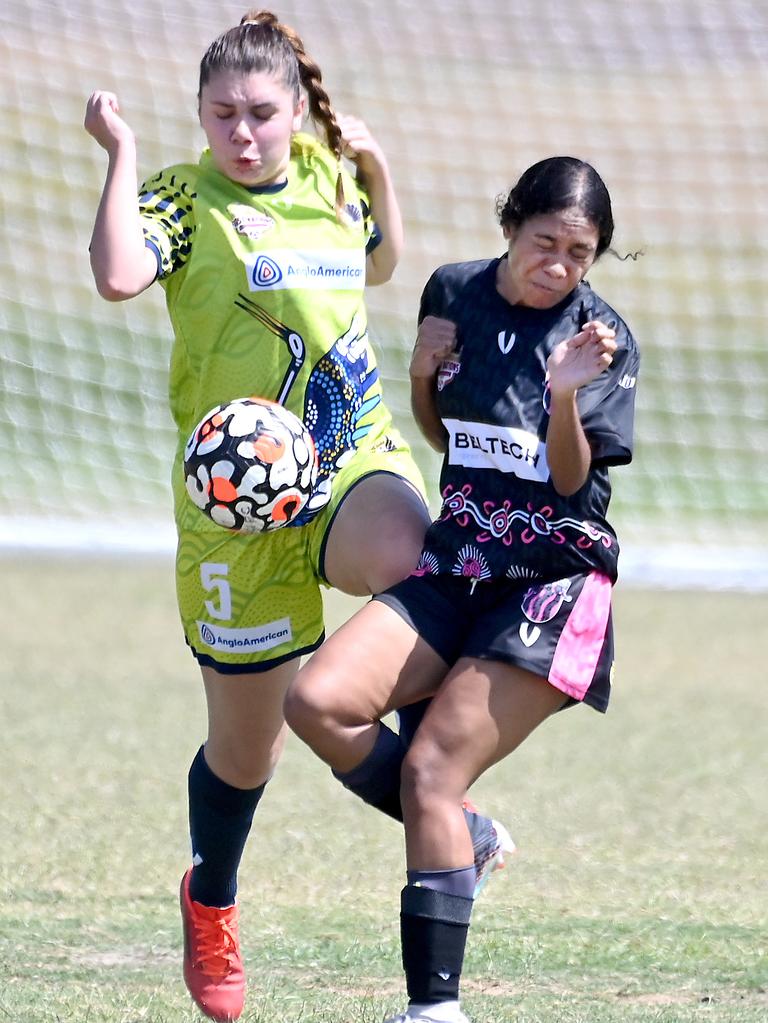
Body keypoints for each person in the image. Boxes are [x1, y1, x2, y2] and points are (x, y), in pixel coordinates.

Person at [84, 10, 508, 1022]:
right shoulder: (183, 200)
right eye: (223, 113)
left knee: (423, 570)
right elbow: (116, 275)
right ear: (200, 114)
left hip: (349, 455)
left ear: (293, 113)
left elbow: (378, 263)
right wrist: (124, 156)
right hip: (238, 509)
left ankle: (438, 810)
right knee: (249, 751)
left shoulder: (326, 180)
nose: (244, 133)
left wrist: (381, 171)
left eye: (263, 114)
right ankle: (212, 899)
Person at [285, 155, 640, 1023]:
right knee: (317, 702)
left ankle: (433, 1010)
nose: (558, 264)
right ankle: (467, 836)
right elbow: (449, 430)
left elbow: (567, 483)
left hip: (551, 586)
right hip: (461, 562)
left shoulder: (601, 338)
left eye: (580, 252)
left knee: (433, 772)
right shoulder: (451, 290)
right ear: (510, 225)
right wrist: (418, 372)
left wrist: (564, 395)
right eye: (544, 242)